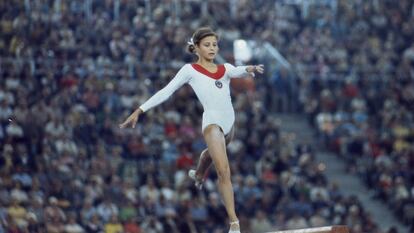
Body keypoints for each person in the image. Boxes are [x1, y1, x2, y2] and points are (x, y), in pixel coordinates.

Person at [119, 27, 264, 233]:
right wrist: (140, 110)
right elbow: (165, 91)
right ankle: (234, 222)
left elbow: (236, 71)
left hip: (229, 124)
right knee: (224, 171)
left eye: (214, 44)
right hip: (212, 122)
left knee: (210, 155)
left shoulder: (224, 68)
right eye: (207, 45)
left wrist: (249, 68)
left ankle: (197, 174)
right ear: (196, 48)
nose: (212, 48)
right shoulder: (190, 70)